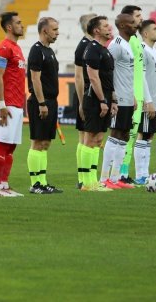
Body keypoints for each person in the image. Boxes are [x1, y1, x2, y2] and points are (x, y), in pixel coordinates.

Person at [100, 14, 140, 190]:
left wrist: (132, 96)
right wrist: (113, 95)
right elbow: (105, 70)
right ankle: (104, 178)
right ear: (123, 25)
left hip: (127, 98)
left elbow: (126, 74)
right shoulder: (116, 45)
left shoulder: (127, 45)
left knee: (123, 134)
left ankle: (116, 178)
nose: (135, 25)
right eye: (132, 23)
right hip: (118, 98)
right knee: (115, 133)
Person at [0, 12, 27, 197]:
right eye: (18, 23)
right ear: (9, 27)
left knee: (11, 146)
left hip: (16, 103)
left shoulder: (17, 48)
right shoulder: (5, 47)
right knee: (3, 145)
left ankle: (4, 185)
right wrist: (2, 104)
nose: (22, 25)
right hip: (6, 104)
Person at [26, 17, 62, 194]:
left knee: (45, 143)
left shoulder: (50, 51)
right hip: (40, 102)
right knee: (37, 142)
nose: (57, 32)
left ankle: (42, 181)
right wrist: (41, 103)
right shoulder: (36, 50)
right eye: (54, 29)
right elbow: (35, 79)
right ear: (44, 31)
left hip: (50, 101)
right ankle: (35, 184)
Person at [79, 16, 114, 192]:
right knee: (90, 139)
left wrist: (112, 99)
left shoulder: (104, 49)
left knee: (99, 139)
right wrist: (102, 100)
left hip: (105, 99)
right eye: (106, 26)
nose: (110, 28)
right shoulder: (92, 49)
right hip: (94, 99)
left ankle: (93, 180)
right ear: (96, 31)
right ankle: (87, 182)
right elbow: (93, 77)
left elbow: (108, 77)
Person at [118, 5, 147, 185]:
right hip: (130, 95)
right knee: (124, 136)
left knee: (131, 136)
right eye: (137, 16)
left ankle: (124, 173)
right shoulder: (125, 42)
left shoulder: (135, 40)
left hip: (138, 94)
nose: (140, 19)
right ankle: (118, 174)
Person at [134, 20, 156, 184]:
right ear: (145, 33)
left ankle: (145, 172)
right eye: (154, 29)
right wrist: (148, 100)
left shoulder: (155, 51)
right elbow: (141, 77)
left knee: (149, 136)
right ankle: (141, 174)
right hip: (148, 102)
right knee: (143, 135)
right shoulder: (142, 50)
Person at [73, 13, 97, 189]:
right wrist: (81, 102)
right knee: (86, 137)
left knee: (90, 138)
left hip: (89, 96)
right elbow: (78, 77)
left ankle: (86, 178)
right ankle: (84, 179)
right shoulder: (84, 46)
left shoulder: (90, 45)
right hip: (86, 97)